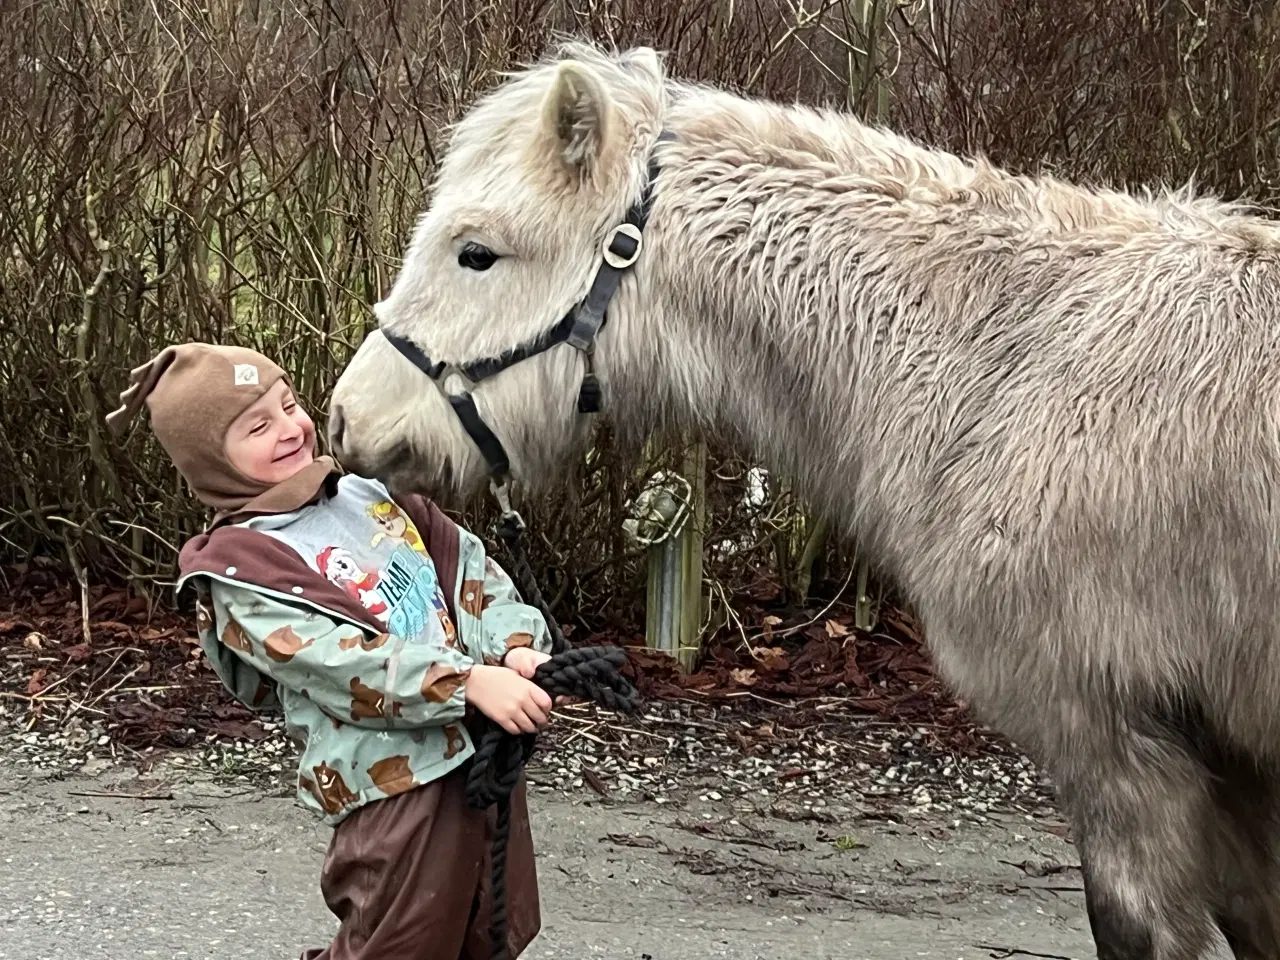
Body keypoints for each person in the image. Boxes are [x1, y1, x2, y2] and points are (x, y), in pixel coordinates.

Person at [106, 342, 552, 960]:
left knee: (488, 931)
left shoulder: (370, 496)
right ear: (213, 460)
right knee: (398, 947)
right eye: (258, 426)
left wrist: (516, 650)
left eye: (288, 404)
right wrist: (468, 683)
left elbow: (473, 577)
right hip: (395, 792)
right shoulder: (241, 571)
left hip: (480, 757)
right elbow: (341, 663)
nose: (290, 429)